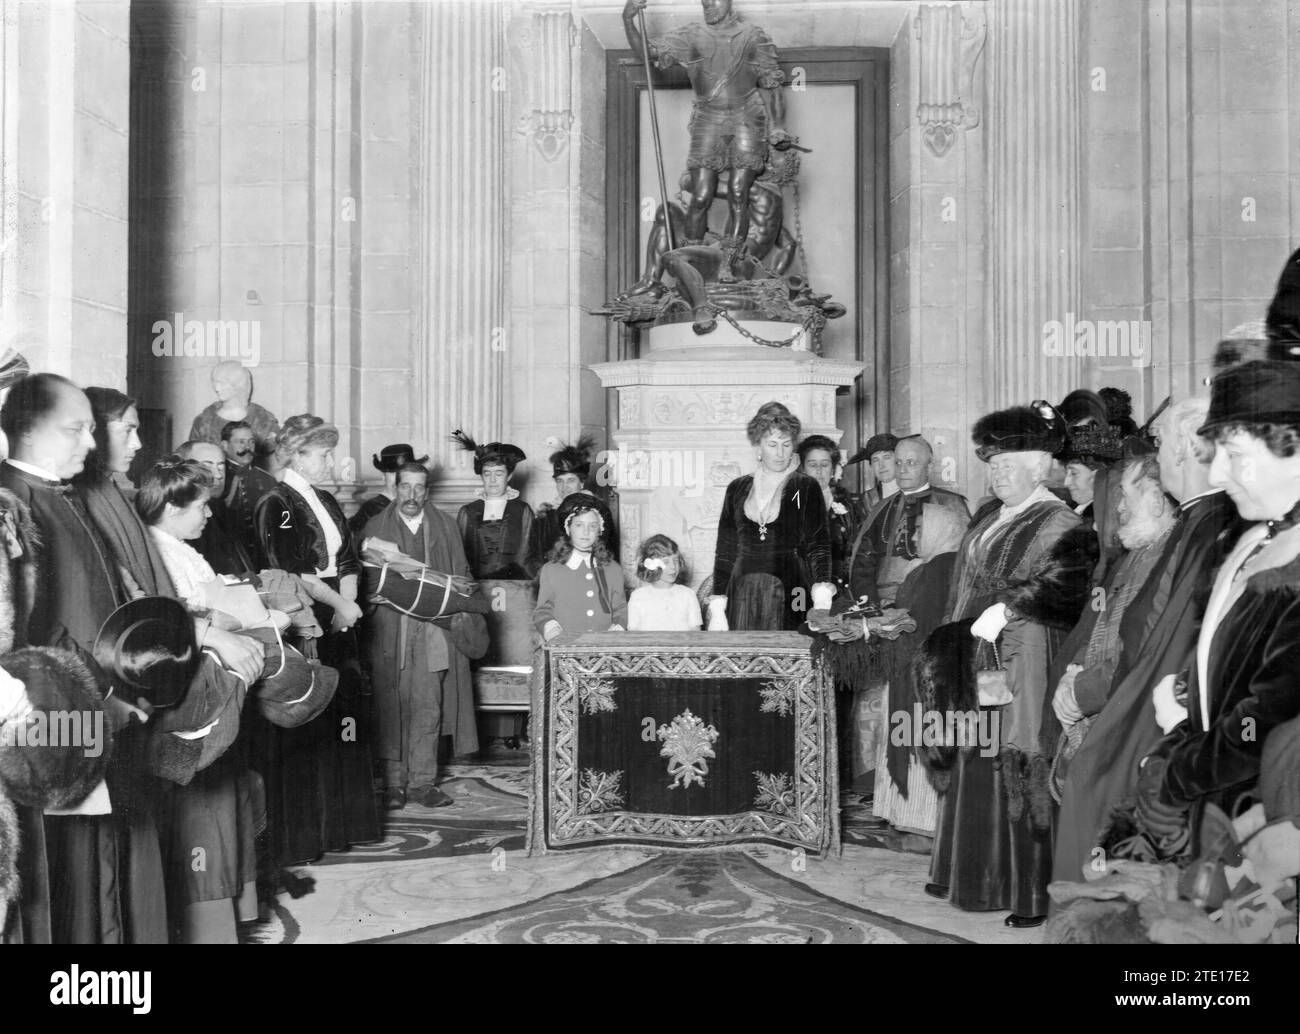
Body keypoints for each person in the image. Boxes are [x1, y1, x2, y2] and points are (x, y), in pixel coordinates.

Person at [0, 374, 169, 943]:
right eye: (75, 430)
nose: (91, 445)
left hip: (95, 711)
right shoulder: (15, 503)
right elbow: (34, 640)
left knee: (94, 870)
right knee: (57, 884)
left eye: (94, 430)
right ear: (25, 429)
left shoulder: (57, 493)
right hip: (52, 727)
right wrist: (105, 705)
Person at [1051, 396, 1245, 887]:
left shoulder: (1203, 527)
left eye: (1161, 445)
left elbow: (1155, 635)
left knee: (1096, 791)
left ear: (1185, 450)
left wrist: (1086, 693)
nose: (1115, 508)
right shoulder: (1197, 526)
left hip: (1165, 711)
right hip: (1157, 699)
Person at [919, 400, 1094, 928]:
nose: (995, 473)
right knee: (975, 745)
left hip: (1028, 652)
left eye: (1006, 464)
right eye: (991, 464)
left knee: (1019, 754)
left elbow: (1068, 586)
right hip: (981, 651)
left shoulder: (1061, 519)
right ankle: (968, 871)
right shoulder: (991, 515)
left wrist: (1010, 605)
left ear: (1038, 466)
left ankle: (1027, 892)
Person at [1136, 353, 1300, 848]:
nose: (1217, 475)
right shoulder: (1258, 538)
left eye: (1236, 454)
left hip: (1266, 818)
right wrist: (1191, 696)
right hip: (1222, 793)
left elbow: (1261, 722)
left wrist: (1175, 773)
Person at [823, 434, 969, 830]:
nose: (903, 469)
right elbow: (864, 559)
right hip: (881, 610)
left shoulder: (951, 505)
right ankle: (876, 783)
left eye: (910, 462)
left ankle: (914, 798)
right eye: (898, 463)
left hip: (926, 611)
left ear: (928, 465)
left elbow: (956, 570)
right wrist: (871, 603)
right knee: (874, 698)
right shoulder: (883, 507)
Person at [256, 414, 379, 863]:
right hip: (304, 614)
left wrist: (349, 605)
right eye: (324, 453)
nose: (332, 460)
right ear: (298, 455)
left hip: (341, 613)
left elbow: (347, 556)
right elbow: (286, 572)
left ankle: (343, 825)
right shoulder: (276, 501)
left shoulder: (325, 498)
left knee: (345, 716)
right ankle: (307, 836)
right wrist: (337, 605)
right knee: (311, 717)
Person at [623, 0, 789, 276]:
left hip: (747, 115)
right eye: (704, 1)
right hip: (708, 117)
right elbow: (648, 52)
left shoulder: (753, 36)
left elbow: (773, 84)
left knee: (739, 192)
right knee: (700, 195)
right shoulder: (692, 34)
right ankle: (691, 264)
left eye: (714, 0)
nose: (708, 5)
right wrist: (628, 20)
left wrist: (779, 126)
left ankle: (729, 264)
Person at [1049, 452, 1177, 797]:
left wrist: (1079, 688)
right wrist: (1074, 669)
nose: (1117, 509)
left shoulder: (1168, 558)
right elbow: (1096, 620)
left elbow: (1142, 647)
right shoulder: (1129, 556)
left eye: (1125, 497)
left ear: (1154, 500)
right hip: (1092, 696)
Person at [362, 461, 483, 810]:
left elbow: (464, 575)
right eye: (406, 487)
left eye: (419, 488)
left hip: (434, 631)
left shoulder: (445, 526)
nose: (412, 495)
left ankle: (422, 783)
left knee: (429, 705)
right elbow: (365, 582)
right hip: (391, 631)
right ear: (395, 487)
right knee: (392, 706)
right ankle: (393, 784)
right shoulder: (375, 526)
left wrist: (460, 588)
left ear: (427, 490)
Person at [710, 401, 832, 631]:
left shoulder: (803, 487)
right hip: (742, 589)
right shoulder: (737, 488)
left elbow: (819, 545)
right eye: (772, 444)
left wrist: (822, 598)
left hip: (792, 588)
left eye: (786, 445)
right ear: (758, 447)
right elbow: (725, 550)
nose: (780, 453)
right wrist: (718, 604)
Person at [534, 500, 628, 641]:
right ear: (568, 528)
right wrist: (554, 634)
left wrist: (614, 634)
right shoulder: (551, 569)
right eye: (579, 525)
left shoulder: (613, 568)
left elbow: (620, 609)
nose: (586, 532)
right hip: (565, 645)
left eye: (593, 526)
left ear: (600, 530)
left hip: (603, 646)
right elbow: (543, 611)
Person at [452, 431, 534, 580]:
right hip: (477, 588)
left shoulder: (522, 511)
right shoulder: (468, 512)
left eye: (499, 473)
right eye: (487, 473)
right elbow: (460, 556)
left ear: (509, 476)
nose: (493, 480)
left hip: (513, 587)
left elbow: (526, 556)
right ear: (481, 476)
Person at [797, 434, 857, 598]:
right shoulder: (792, 502)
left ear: (833, 468)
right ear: (802, 468)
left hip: (840, 590)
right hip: (801, 591)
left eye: (824, 464)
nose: (819, 471)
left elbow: (854, 548)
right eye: (812, 464)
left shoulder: (845, 502)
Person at [189, 362, 280, 468]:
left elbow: (275, 461)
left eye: (222, 383)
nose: (216, 388)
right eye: (215, 382)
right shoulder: (204, 422)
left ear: (238, 385)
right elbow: (192, 460)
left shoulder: (263, 420)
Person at [218, 420, 278, 566]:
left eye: (251, 442)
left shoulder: (268, 480)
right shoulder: (216, 478)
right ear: (225, 446)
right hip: (227, 558)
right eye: (241, 442)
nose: (247, 447)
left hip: (263, 559)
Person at [350, 444, 429, 551]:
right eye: (393, 473)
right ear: (383, 477)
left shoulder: (420, 505)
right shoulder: (371, 508)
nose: (399, 479)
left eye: (403, 474)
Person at [628, 534, 702, 631]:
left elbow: (696, 633)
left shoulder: (688, 595)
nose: (673, 567)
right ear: (651, 565)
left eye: (675, 560)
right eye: (666, 562)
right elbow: (633, 635)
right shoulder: (638, 596)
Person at [848, 433, 900, 521]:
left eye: (886, 457)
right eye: (875, 460)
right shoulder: (867, 500)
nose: (881, 465)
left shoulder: (911, 492)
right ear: (871, 465)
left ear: (898, 460)